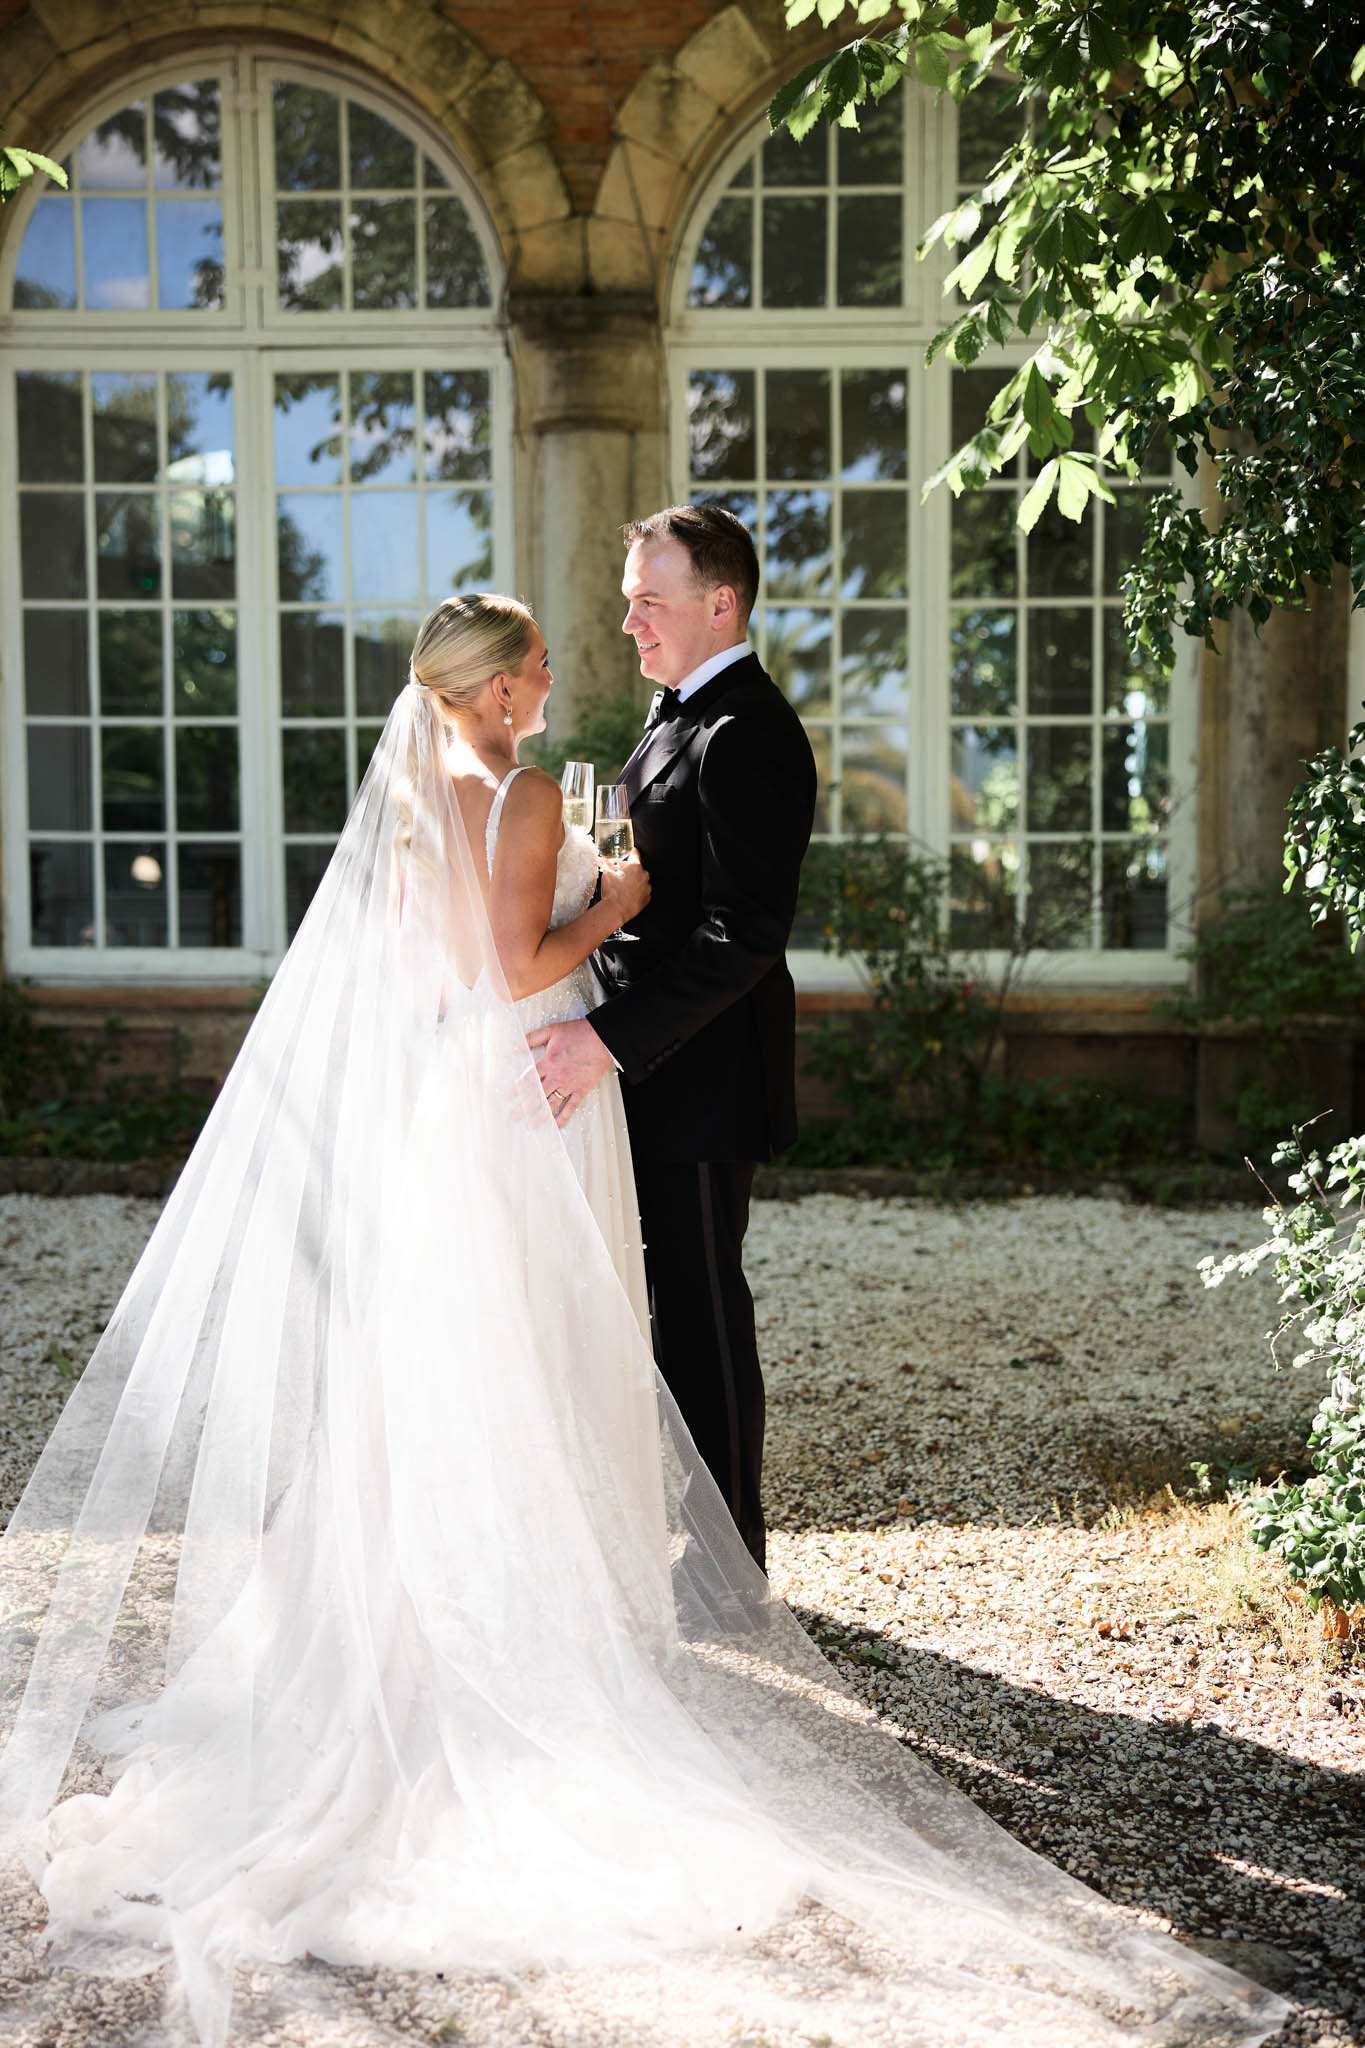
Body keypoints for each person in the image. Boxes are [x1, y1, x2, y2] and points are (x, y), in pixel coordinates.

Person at [0, 596, 1289, 2048]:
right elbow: (510, 968)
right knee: (529, 1352)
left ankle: (410, 1616)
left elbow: (440, 959)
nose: (560, 672)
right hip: (516, 1095)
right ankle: (519, 1631)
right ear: (492, 689)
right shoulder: (524, 785)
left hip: (448, 1101)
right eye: (539, 660)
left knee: (439, 1365)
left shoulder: (420, 786)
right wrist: (612, 902)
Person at [528, 505, 815, 1571]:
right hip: (652, 1066)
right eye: (628, 599)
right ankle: (688, 1538)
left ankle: (729, 1559)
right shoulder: (675, 714)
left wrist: (602, 1039)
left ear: (720, 601)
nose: (630, 620)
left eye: (651, 599)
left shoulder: (751, 732)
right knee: (661, 1302)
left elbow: (744, 936)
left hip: (703, 1077)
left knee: (699, 1308)